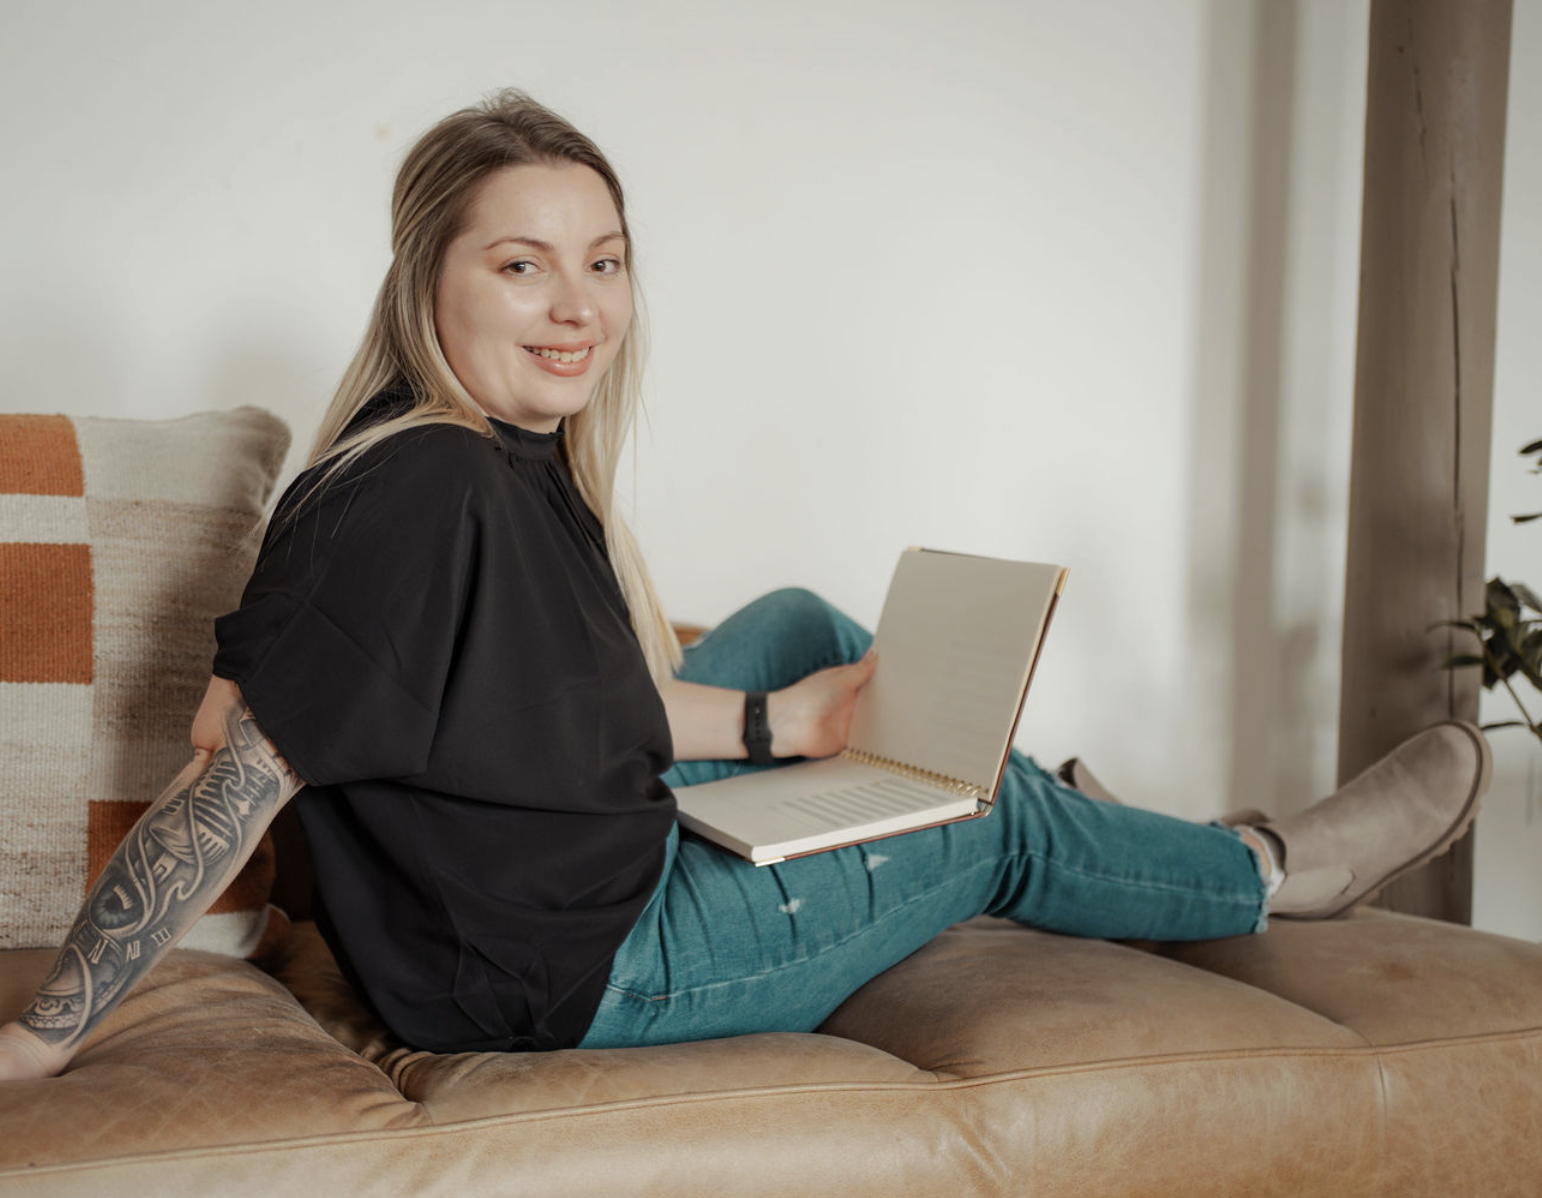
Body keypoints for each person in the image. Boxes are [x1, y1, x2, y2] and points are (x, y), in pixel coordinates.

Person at [0, 90, 1491, 1076]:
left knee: (810, 629)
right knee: (969, 804)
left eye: (605, 259)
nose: (577, 304)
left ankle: (1068, 816)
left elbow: (555, 694)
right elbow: (232, 773)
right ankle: (1258, 865)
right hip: (575, 969)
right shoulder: (428, 491)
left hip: (582, 860)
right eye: (521, 266)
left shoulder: (482, 450)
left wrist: (785, 724)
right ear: (427, 283)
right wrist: (46, 1036)